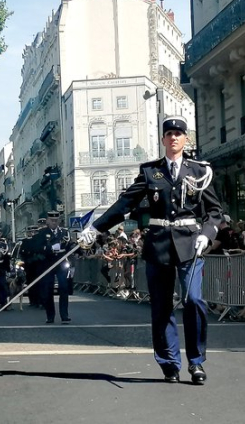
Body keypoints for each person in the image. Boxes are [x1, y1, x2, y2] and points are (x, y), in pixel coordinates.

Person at [79, 115, 223, 385]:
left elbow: (215, 212)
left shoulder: (200, 171)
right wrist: (97, 228)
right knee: (161, 307)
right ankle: (169, 363)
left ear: (186, 139)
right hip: (158, 245)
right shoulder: (150, 172)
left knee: (193, 300)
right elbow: (124, 204)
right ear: (163, 139)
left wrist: (207, 234)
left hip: (190, 243)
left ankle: (196, 361)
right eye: (169, 133)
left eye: (179, 133)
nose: (174, 137)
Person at [34, 210, 73, 324]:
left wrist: (77, 246)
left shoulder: (64, 232)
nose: (54, 223)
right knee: (48, 290)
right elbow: (38, 248)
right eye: (52, 220)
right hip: (48, 264)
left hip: (61, 263)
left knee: (64, 288)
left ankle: (64, 315)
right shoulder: (42, 233)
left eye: (56, 220)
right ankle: (50, 315)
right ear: (47, 221)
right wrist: (50, 248)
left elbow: (69, 246)